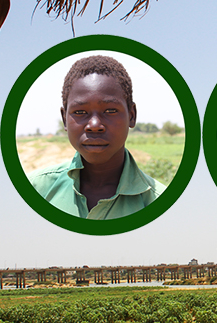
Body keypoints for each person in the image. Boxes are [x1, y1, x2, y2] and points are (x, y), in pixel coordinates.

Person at [28, 55, 166, 219]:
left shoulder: (160, 202)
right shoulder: (35, 190)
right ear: (64, 118)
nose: (94, 125)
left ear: (132, 115)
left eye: (110, 111)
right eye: (80, 112)